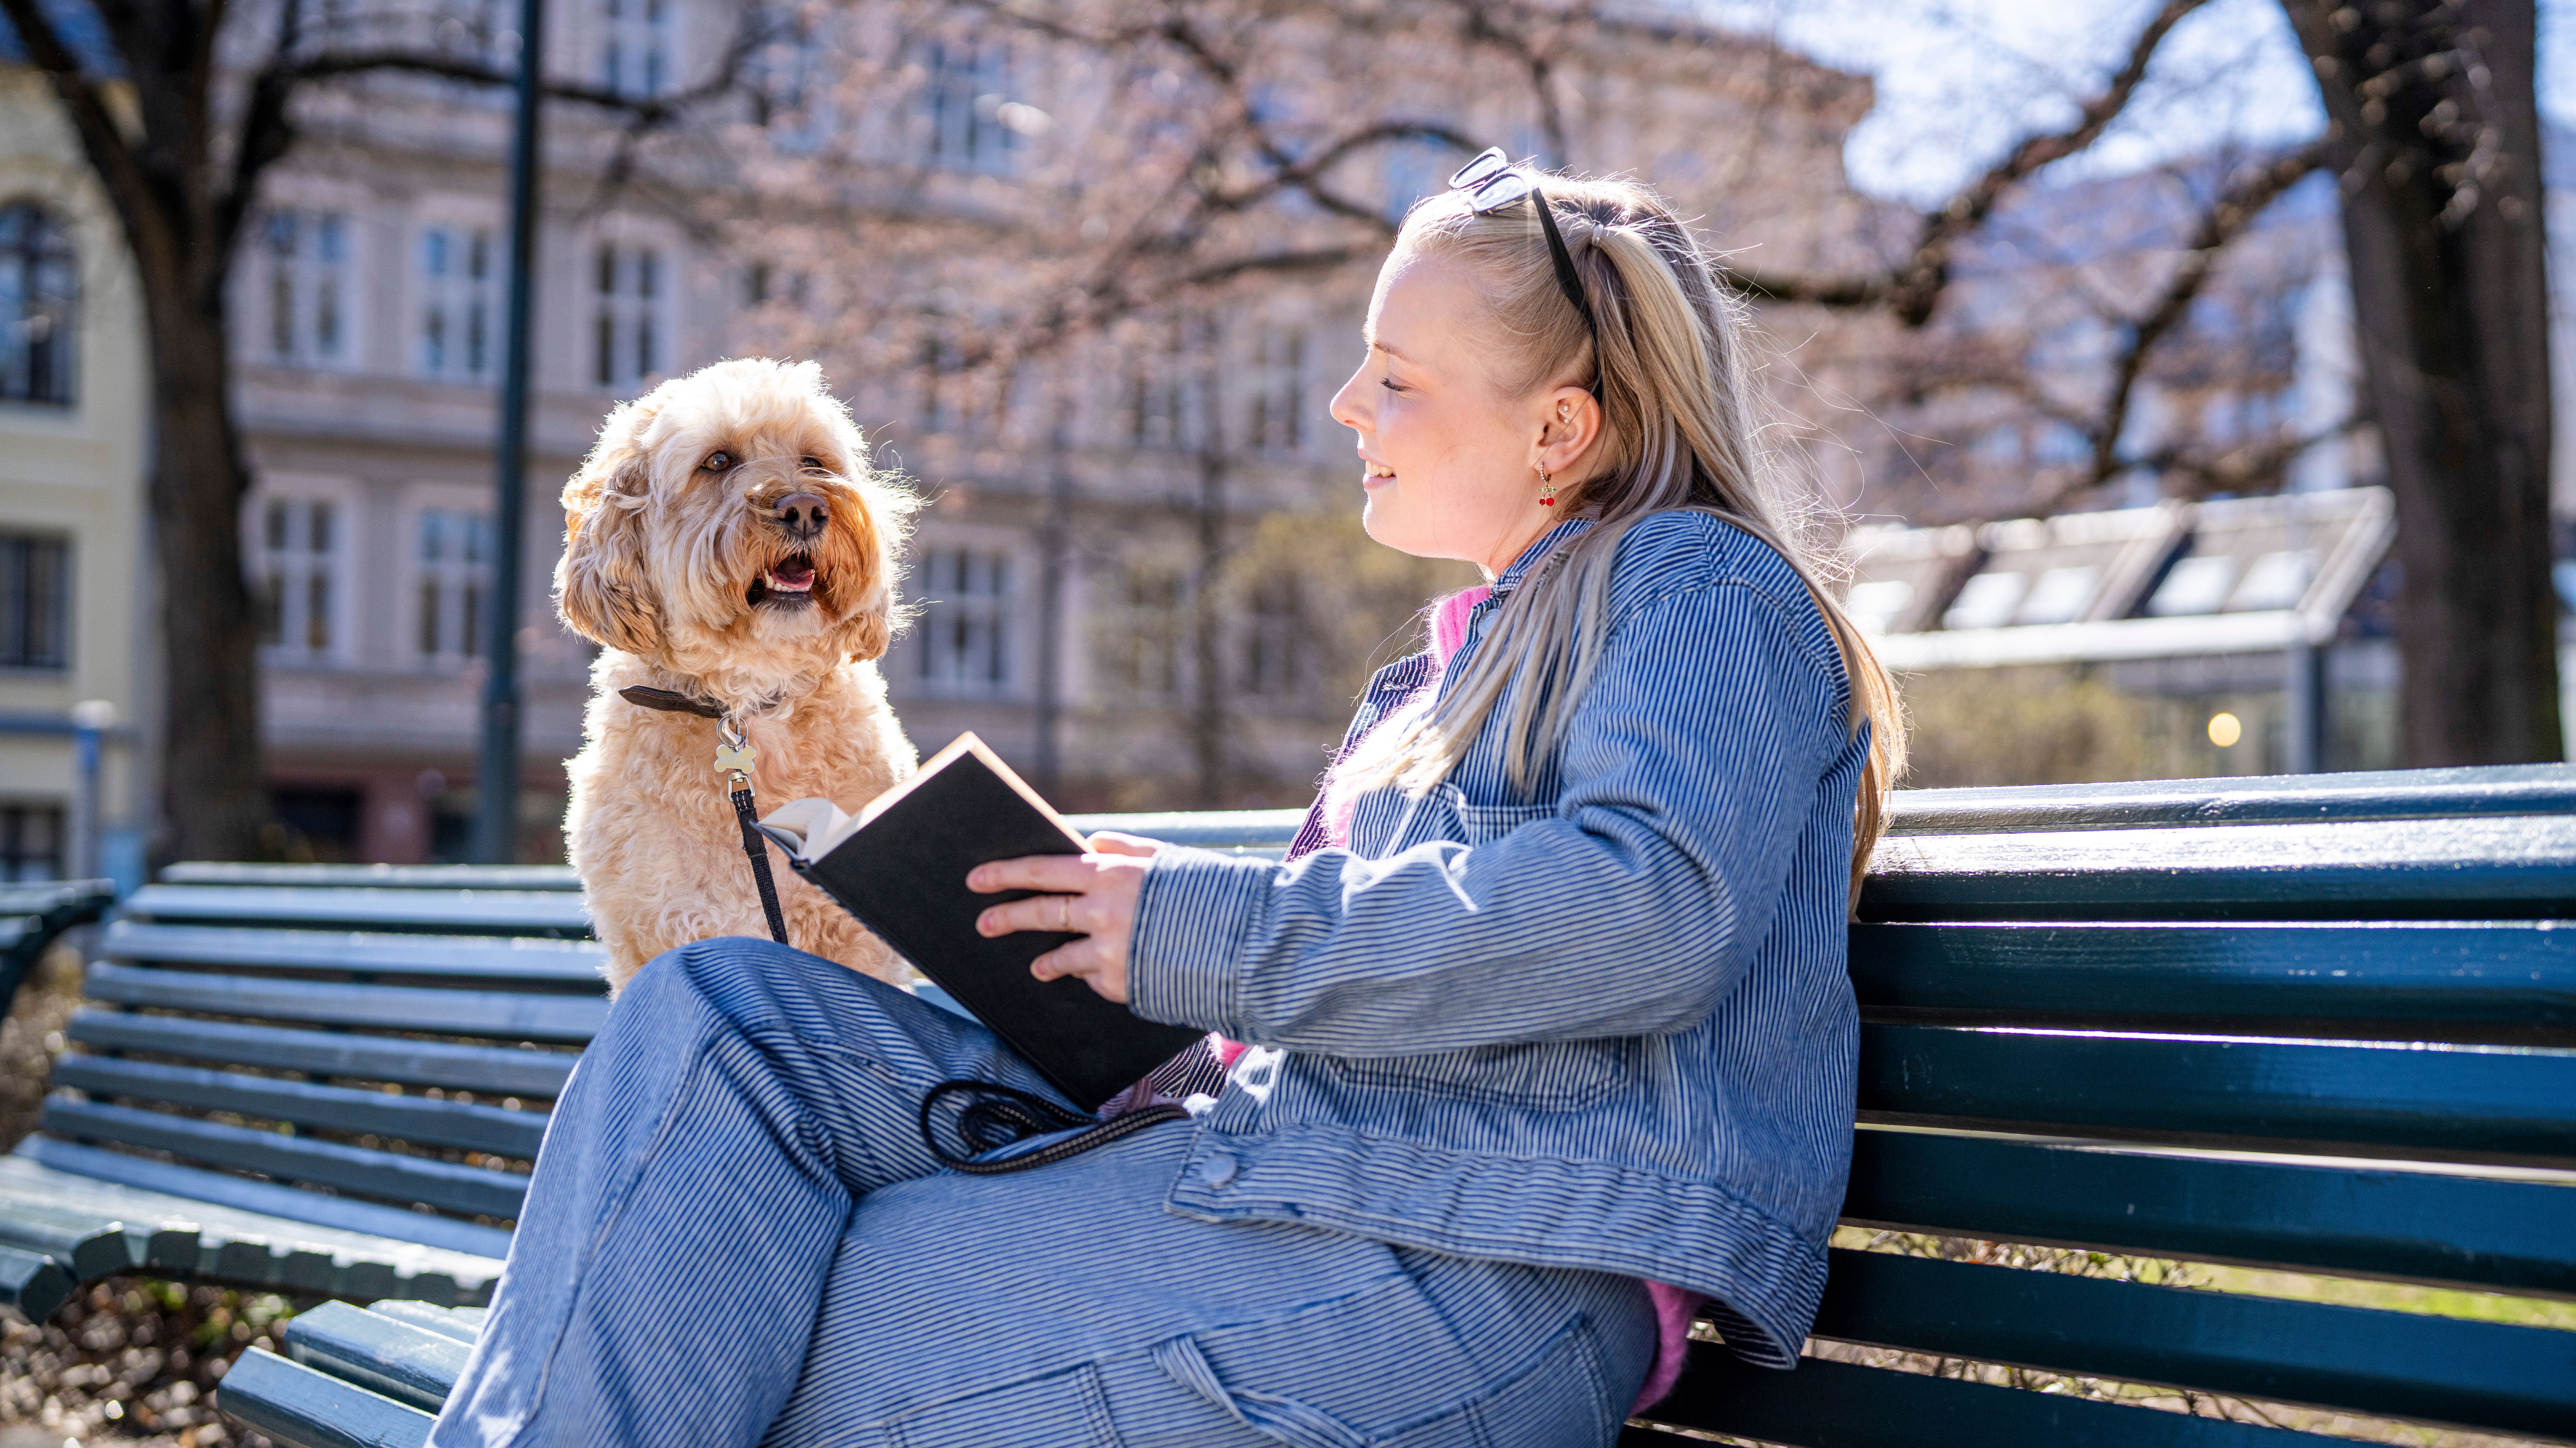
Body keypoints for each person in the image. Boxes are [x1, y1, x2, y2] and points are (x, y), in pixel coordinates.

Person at [426, 156, 1905, 1448]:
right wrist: (1112, 947)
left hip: (1477, 1275)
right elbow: (1375, 979)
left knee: (731, 1327)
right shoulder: (1433, 684)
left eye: (1393, 375)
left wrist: (1199, 927)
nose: (1343, 403)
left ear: (1557, 429)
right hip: (1279, 1182)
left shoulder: (1696, 586)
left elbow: (1646, 914)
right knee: (713, 1022)